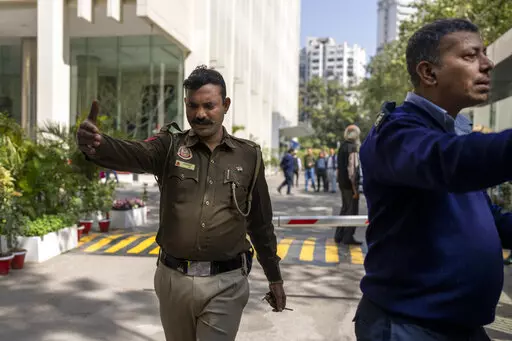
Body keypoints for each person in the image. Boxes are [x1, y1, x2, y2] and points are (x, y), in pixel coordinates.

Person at [76, 65, 286, 341]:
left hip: (227, 282)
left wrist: (274, 277)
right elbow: (134, 153)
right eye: (193, 106)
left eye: (209, 106)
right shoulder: (170, 147)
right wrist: (99, 145)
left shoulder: (248, 156)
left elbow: (260, 222)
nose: (200, 114)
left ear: (225, 105)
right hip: (173, 280)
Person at [355, 19, 512, 340]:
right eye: (470, 56)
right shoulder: (397, 133)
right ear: (428, 73)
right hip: (408, 326)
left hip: (457, 326)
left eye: (484, 53)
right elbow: (449, 161)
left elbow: (482, 214)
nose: (488, 64)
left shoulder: (449, 133)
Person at [334, 124, 361, 245]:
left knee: (344, 208)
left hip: (342, 183)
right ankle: (348, 237)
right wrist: (355, 189)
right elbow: (353, 170)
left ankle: (338, 235)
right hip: (350, 185)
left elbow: (339, 167)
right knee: (351, 211)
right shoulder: (353, 148)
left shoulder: (342, 146)